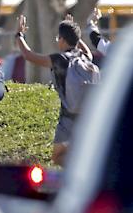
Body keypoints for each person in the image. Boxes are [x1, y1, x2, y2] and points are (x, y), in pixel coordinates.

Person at [14, 15, 94, 165]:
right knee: (75, 153)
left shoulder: (60, 60)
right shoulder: (84, 58)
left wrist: (19, 35)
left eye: (59, 38)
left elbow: (29, 55)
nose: (58, 40)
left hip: (67, 119)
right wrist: (75, 35)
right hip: (88, 117)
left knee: (57, 157)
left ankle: (77, 174)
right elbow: (88, 51)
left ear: (63, 40)